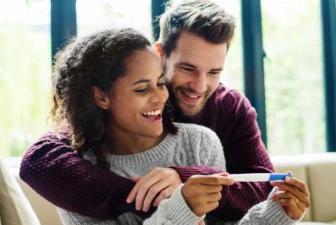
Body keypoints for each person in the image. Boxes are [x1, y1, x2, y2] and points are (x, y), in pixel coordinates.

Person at [20, 0, 274, 220]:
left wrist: (185, 179)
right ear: (160, 53)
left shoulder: (231, 107)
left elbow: (264, 188)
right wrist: (146, 196)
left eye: (214, 72)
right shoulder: (127, 103)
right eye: (187, 68)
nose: (200, 85)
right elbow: (38, 161)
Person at [49, 27, 309, 225]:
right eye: (142, 88)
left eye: (160, 84)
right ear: (101, 97)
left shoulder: (199, 142)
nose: (159, 97)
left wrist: (277, 213)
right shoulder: (77, 172)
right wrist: (182, 207)